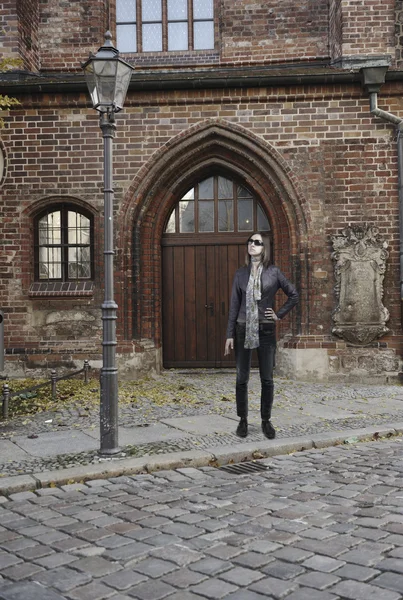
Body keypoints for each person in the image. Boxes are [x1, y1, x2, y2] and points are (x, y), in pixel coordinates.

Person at [224, 232, 299, 439]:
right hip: (242, 329)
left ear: (264, 247)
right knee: (242, 378)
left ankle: (266, 420)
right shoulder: (240, 274)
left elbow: (293, 294)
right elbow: (234, 305)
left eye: (257, 242)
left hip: (265, 329)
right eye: (250, 242)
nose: (252, 245)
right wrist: (229, 334)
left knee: (267, 378)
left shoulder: (273, 272)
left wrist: (278, 314)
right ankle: (243, 420)